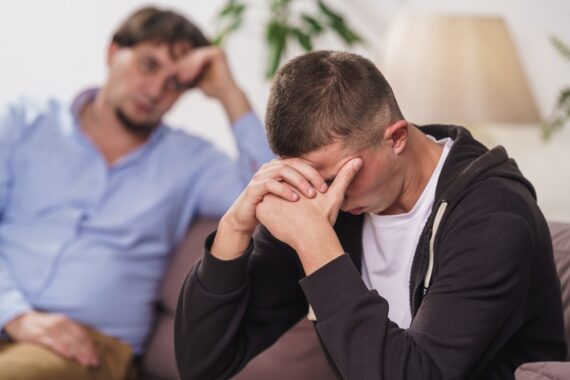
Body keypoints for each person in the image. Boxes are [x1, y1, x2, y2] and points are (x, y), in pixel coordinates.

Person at [175, 50, 567, 379]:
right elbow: (202, 362)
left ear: (396, 137)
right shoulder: (325, 197)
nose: (326, 195)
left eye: (338, 175)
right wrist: (235, 227)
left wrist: (316, 245)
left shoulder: (495, 217)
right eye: (310, 178)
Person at [0, 6, 273, 380]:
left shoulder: (191, 161)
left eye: (175, 82)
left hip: (85, 346)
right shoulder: (24, 122)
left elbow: (277, 193)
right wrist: (14, 314)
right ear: (113, 52)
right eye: (148, 65)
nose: (156, 90)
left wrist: (229, 92)